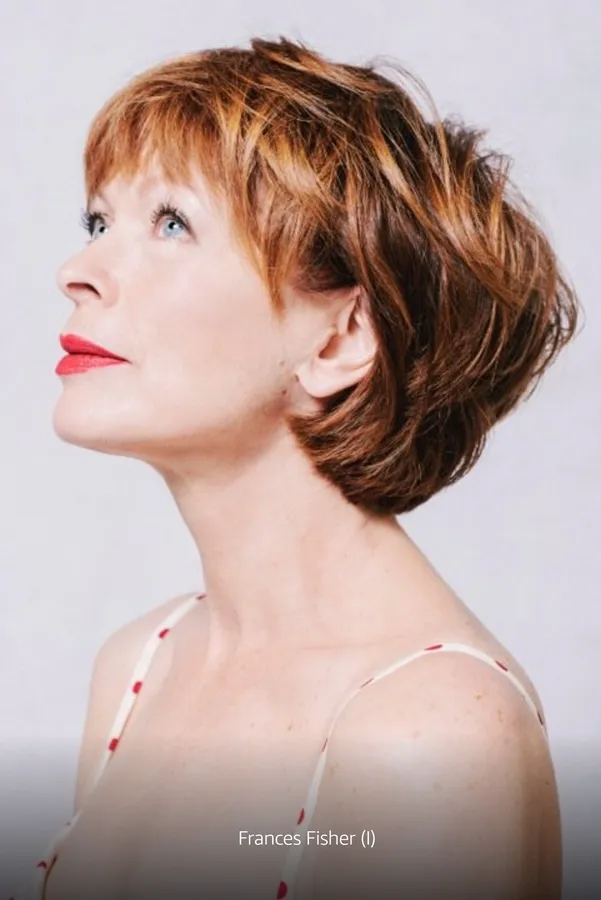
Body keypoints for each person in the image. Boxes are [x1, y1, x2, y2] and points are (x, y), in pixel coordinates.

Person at [23, 34, 580, 900]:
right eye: (98, 222)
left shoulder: (427, 737)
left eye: (171, 223)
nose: (78, 271)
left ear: (339, 338)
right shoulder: (139, 669)